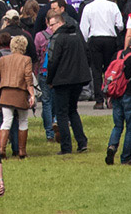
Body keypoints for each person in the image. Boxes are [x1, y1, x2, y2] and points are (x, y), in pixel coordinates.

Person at [45, 10, 90, 156]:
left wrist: (49, 80)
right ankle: (82, 141)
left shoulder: (57, 38)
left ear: (59, 23)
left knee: (62, 113)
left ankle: (66, 146)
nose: (50, 28)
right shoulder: (77, 35)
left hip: (62, 80)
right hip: (78, 79)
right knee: (73, 110)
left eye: (52, 25)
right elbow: (86, 52)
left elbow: (52, 61)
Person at [0, 36, 35, 159]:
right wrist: (32, 94)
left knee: (6, 121)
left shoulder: (3, 59)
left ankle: (1, 149)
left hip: (6, 94)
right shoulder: (26, 59)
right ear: (24, 46)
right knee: (23, 121)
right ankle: (22, 151)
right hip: (20, 93)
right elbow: (28, 78)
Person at [79, 0, 124, 110]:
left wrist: (87, 40)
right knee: (110, 70)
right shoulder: (112, 5)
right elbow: (120, 25)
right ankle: (110, 96)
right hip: (110, 38)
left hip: (95, 38)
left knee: (96, 70)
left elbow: (83, 28)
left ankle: (99, 99)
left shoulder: (88, 7)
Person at [107, 34, 131, 166]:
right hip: (130, 96)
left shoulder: (117, 55)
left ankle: (112, 146)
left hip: (116, 94)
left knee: (117, 125)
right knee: (130, 127)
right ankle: (126, 158)